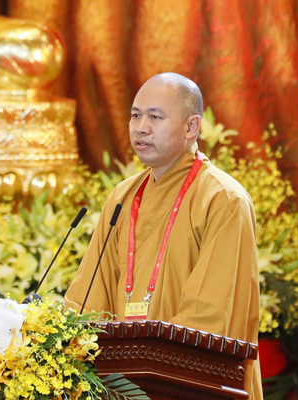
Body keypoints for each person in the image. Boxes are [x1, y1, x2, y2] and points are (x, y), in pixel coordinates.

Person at [64, 72, 262, 399]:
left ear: (191, 127)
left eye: (155, 117)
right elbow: (87, 298)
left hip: (184, 386)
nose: (141, 127)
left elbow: (212, 316)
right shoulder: (123, 197)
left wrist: (154, 364)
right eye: (136, 115)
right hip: (119, 386)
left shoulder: (222, 199)